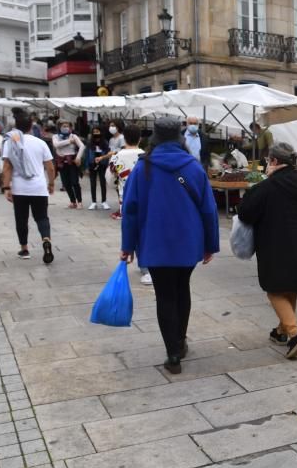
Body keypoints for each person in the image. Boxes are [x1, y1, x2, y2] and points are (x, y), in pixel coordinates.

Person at [120, 116, 219, 374]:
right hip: (189, 241)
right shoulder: (194, 168)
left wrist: (127, 246)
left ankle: (172, 353)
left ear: (154, 136)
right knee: (181, 288)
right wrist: (210, 244)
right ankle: (180, 340)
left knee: (164, 295)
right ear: (180, 136)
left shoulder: (143, 169)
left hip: (154, 242)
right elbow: (209, 210)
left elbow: (130, 210)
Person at [237, 142, 297, 360]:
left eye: (267, 161)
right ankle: (281, 331)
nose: (267, 165)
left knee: (274, 289)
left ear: (274, 161)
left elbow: (245, 214)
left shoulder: (264, 189)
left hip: (275, 246)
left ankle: (294, 333)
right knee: (290, 286)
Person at [1, 112, 56, 263]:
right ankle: (46, 239)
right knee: (42, 217)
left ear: (15, 127)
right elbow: (50, 167)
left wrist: (6, 187)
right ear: (31, 126)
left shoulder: (10, 142)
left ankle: (24, 249)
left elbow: (7, 166)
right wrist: (51, 183)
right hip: (38, 187)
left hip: (20, 188)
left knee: (21, 219)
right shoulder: (40, 143)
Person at [110, 124, 152, 286]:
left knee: (130, 229)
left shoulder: (116, 157)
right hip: (147, 198)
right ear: (140, 137)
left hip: (125, 197)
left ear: (124, 137)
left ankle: (133, 255)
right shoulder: (147, 156)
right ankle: (145, 267)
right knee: (144, 232)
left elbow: (110, 178)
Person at [53, 121, 85, 209]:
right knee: (66, 183)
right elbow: (56, 145)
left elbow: (82, 146)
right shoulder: (55, 136)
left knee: (75, 182)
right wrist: (69, 141)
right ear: (59, 127)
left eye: (67, 126)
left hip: (72, 162)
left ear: (70, 127)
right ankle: (72, 201)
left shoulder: (73, 136)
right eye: (63, 126)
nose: (65, 127)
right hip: (61, 163)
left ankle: (79, 201)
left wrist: (78, 157)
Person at [86, 126, 111, 210]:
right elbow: (87, 155)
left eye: (97, 131)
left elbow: (108, 153)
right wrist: (86, 166)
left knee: (103, 183)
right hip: (92, 164)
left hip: (103, 164)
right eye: (94, 131)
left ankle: (104, 201)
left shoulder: (105, 142)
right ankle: (93, 202)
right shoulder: (90, 142)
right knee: (93, 183)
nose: (96, 133)